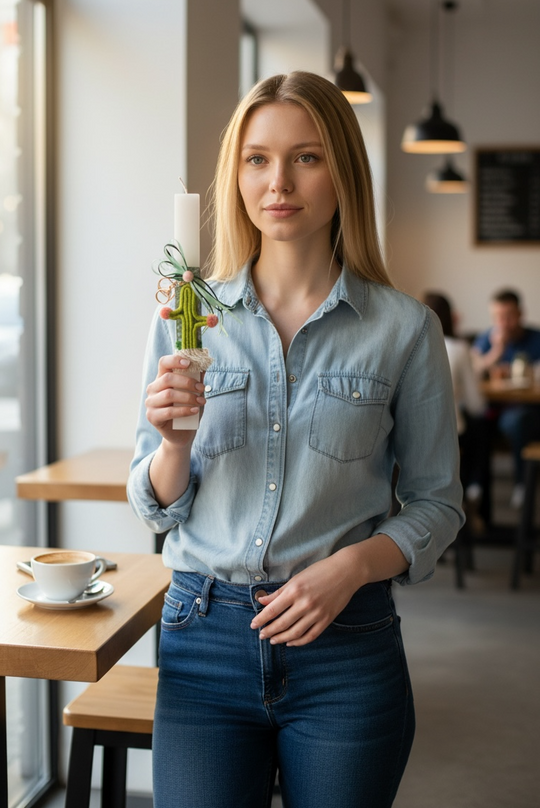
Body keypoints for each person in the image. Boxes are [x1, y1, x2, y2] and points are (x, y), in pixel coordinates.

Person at [128, 71, 463, 808]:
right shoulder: (187, 317)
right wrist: (173, 446)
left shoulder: (405, 329)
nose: (278, 182)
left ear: (343, 173)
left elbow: (438, 505)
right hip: (203, 638)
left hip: (347, 645)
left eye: (306, 157)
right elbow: (153, 505)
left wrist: (349, 568)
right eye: (257, 159)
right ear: (236, 174)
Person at [421, 291, 487, 529]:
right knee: (479, 429)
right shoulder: (459, 348)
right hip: (448, 436)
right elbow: (476, 403)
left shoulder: (402, 344)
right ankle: (473, 491)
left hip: (408, 437)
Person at [472, 289, 540, 505]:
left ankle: (522, 485)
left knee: (517, 421)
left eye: (508, 316)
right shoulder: (488, 338)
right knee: (475, 421)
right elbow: (472, 371)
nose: (503, 323)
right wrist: (496, 352)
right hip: (494, 408)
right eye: (497, 317)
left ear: (520, 314)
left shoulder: (536, 338)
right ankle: (475, 487)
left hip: (527, 409)